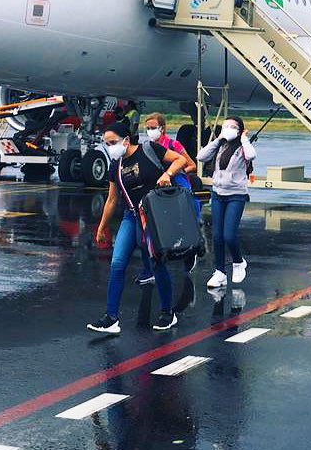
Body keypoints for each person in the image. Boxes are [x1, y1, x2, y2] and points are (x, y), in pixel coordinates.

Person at [87, 122, 187, 334]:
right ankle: (111, 317)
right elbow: (112, 200)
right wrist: (102, 227)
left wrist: (167, 174)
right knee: (117, 264)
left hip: (154, 217)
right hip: (131, 216)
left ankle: (168, 312)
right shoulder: (116, 166)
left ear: (126, 140)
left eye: (112, 142)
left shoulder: (150, 150)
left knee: (157, 263)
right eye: (106, 144)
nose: (110, 147)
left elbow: (180, 159)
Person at [198, 116, 256, 289]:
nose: (228, 129)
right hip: (218, 194)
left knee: (229, 235)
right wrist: (218, 139)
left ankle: (239, 262)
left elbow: (252, 155)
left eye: (232, 126)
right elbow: (201, 156)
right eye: (225, 126)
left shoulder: (243, 148)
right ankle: (220, 272)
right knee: (217, 236)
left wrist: (244, 138)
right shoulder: (220, 146)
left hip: (236, 195)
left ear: (239, 130)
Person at [141, 112, 201, 276]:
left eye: (153, 127)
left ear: (162, 128)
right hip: (159, 186)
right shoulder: (147, 147)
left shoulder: (173, 145)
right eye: (147, 128)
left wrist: (174, 172)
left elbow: (191, 165)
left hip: (176, 183)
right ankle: (153, 263)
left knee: (183, 219)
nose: (150, 131)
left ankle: (190, 252)